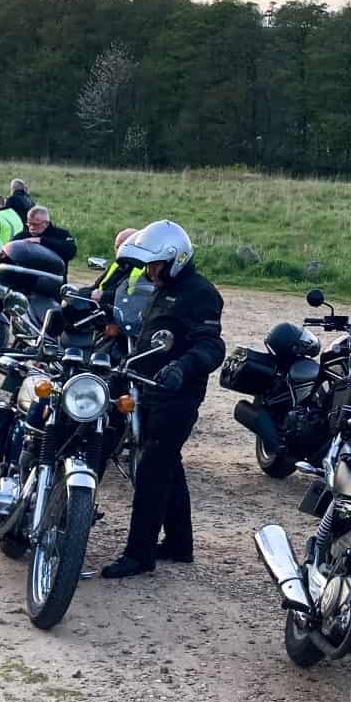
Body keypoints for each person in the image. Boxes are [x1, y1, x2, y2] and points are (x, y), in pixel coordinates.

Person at [100, 222, 225, 579]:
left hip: (177, 393)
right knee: (169, 463)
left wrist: (182, 367)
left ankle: (139, 555)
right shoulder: (164, 286)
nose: (149, 272)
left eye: (154, 265)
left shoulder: (199, 293)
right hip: (147, 384)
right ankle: (178, 544)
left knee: (152, 469)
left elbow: (212, 345)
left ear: (175, 259)